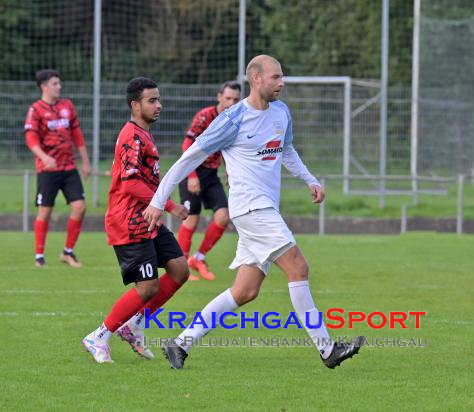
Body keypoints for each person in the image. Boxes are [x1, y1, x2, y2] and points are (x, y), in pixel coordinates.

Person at [143, 55, 364, 370]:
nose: (282, 83)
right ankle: (327, 350)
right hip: (251, 208)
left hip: (261, 210)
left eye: (282, 77)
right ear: (256, 79)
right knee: (298, 268)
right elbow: (188, 159)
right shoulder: (233, 120)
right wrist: (157, 200)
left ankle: (180, 344)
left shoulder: (281, 112)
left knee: (245, 291)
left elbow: (286, 150)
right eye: (276, 77)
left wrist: (310, 179)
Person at [82, 77, 190, 363]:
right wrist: (169, 205)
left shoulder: (144, 134)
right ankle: (99, 335)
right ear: (135, 104)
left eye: (158, 99)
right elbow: (130, 185)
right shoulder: (131, 136)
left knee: (179, 270)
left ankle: (134, 325)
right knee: (148, 288)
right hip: (129, 221)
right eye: (151, 100)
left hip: (147, 218)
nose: (159, 105)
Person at [24, 69, 91, 268]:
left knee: (80, 207)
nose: (59, 86)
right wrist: (44, 157)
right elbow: (30, 138)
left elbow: (77, 135)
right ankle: (39, 256)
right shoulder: (35, 110)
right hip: (47, 170)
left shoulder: (67, 106)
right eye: (55, 83)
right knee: (45, 212)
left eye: (59, 83)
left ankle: (67, 252)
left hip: (69, 167)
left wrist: (85, 162)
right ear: (44, 87)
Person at [178, 81, 241, 281]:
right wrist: (192, 176)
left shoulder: (234, 120)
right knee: (191, 219)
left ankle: (198, 258)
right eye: (228, 98)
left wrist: (231, 172)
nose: (231, 103)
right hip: (193, 171)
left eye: (236, 99)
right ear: (219, 97)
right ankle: (181, 268)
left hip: (211, 175)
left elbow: (228, 149)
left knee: (223, 216)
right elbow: (187, 143)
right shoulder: (205, 116)